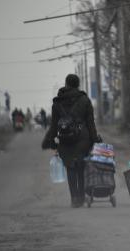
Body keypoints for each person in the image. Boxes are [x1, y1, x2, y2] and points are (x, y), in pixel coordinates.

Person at [42, 74, 100, 208]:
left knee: (70, 168)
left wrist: (51, 141)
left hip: (65, 139)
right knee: (81, 166)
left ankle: (74, 198)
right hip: (83, 138)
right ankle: (81, 196)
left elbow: (54, 125)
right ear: (78, 84)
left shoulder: (57, 102)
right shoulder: (85, 100)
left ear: (66, 84)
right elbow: (91, 123)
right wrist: (94, 139)